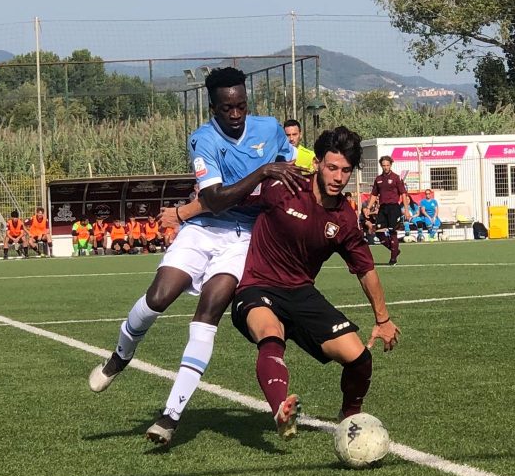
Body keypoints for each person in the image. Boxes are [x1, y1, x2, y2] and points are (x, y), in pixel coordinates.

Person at [87, 66, 301, 447]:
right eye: (227, 108)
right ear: (213, 107)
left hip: (244, 240)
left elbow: (292, 168)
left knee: (208, 314)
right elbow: (215, 199)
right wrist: (262, 173)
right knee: (158, 298)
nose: (235, 115)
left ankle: (170, 416)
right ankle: (121, 356)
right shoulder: (203, 140)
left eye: (241, 106)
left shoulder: (269, 129)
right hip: (204, 229)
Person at [230, 126, 399, 438]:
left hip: (300, 294)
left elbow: (365, 269)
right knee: (271, 334)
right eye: (332, 168)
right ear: (318, 163)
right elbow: (229, 198)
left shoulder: (345, 219)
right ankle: (281, 410)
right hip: (257, 287)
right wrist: (185, 212)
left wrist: (383, 319)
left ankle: (350, 419)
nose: (338, 177)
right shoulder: (283, 187)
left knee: (359, 358)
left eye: (345, 171)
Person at [367, 155, 406, 264]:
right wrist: (368, 207)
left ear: (391, 165)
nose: (385, 167)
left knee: (393, 232)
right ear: (381, 165)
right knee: (379, 232)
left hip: (394, 207)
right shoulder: (378, 179)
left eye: (387, 165)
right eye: (383, 165)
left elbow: (403, 194)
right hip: (383, 208)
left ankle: (393, 259)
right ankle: (394, 250)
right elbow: (374, 194)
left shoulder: (396, 178)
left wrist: (406, 210)